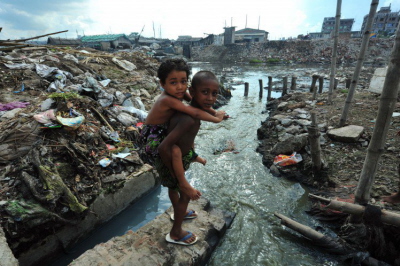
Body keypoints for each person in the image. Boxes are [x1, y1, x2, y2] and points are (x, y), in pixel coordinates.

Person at [140, 59, 225, 217]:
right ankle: (182, 181)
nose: (180, 87)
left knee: (186, 140)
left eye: (183, 81)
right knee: (176, 150)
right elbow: (195, 112)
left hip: (162, 129)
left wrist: (214, 111)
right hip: (151, 138)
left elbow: (194, 100)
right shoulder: (167, 99)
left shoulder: (178, 92)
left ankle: (192, 158)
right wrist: (217, 119)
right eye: (173, 82)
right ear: (162, 84)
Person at [157, 70, 221, 245]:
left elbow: (186, 141)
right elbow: (167, 147)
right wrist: (182, 180)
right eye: (205, 92)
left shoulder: (193, 112)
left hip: (178, 158)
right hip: (170, 158)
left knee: (174, 188)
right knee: (185, 194)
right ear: (192, 93)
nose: (210, 98)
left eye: (214, 93)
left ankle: (180, 212)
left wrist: (194, 156)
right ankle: (176, 232)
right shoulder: (189, 119)